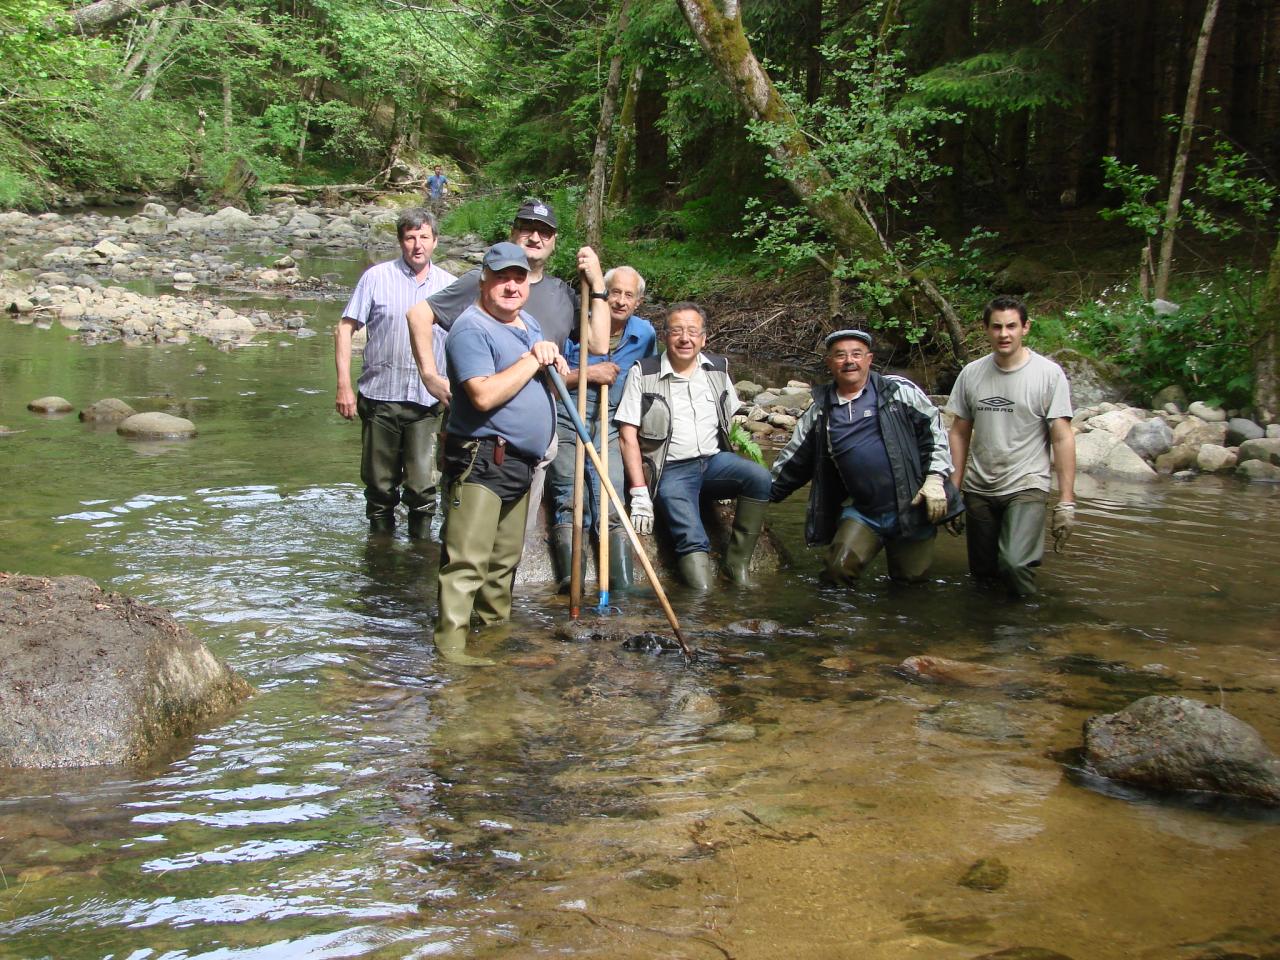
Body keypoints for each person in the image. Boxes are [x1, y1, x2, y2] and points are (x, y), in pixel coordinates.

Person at [407, 199, 610, 546]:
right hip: (478, 438)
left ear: (554, 240)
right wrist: (429, 375)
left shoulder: (562, 292)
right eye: (527, 228)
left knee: (509, 546)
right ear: (513, 233)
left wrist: (597, 283)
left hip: (534, 441)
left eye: (544, 231)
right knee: (464, 542)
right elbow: (418, 315)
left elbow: (599, 343)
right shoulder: (483, 280)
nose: (535, 237)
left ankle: (500, 598)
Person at [434, 242, 568, 666]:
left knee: (501, 566)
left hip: (520, 463)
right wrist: (534, 359)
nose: (512, 286)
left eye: (519, 277)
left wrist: (552, 360)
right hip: (481, 460)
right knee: (467, 564)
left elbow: (534, 370)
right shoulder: (470, 329)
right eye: (502, 277)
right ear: (484, 280)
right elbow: (484, 395)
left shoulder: (526, 322)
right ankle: (450, 651)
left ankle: (493, 641)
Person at [770, 330, 963, 584]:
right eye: (840, 355)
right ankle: (834, 622)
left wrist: (936, 479)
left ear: (869, 359)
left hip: (912, 507)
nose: (849, 361)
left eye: (856, 354)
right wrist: (753, 489)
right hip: (864, 511)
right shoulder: (820, 409)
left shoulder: (898, 391)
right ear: (830, 363)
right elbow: (793, 462)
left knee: (912, 588)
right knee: (836, 572)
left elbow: (935, 433)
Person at [615, 302, 771, 589]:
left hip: (714, 463)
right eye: (676, 331)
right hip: (670, 470)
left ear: (703, 338)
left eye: (692, 331)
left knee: (760, 477)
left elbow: (730, 422)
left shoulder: (718, 368)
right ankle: (703, 596)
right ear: (665, 336)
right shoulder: (644, 372)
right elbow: (627, 434)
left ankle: (736, 569)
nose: (684, 338)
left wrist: (732, 462)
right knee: (691, 534)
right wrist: (639, 493)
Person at [334, 208, 455, 538]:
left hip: (428, 404)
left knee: (422, 488)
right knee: (379, 487)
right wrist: (344, 386)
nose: (418, 245)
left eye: (424, 237)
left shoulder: (451, 287)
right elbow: (344, 329)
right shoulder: (376, 277)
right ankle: (380, 552)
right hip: (380, 398)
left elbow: (466, 341)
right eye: (410, 238)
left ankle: (420, 553)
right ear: (401, 241)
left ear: (435, 241)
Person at [947, 295, 1077, 597]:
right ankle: (986, 633)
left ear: (1025, 328)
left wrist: (1066, 500)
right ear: (986, 329)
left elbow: (1062, 436)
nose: (1003, 334)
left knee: (1015, 564)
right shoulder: (971, 373)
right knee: (983, 575)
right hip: (979, 486)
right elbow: (959, 433)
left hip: (1027, 483)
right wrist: (954, 488)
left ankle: (1026, 630)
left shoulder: (1048, 374)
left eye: (1011, 326)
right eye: (996, 327)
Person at [546, 266, 657, 590]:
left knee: (610, 498)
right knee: (569, 496)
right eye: (614, 292)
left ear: (639, 301)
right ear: (601, 294)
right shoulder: (573, 327)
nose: (620, 301)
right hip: (569, 414)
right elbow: (551, 383)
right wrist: (590, 374)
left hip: (610, 422)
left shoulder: (645, 334)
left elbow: (644, 384)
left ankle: (620, 587)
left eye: (628, 294)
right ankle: (572, 584)